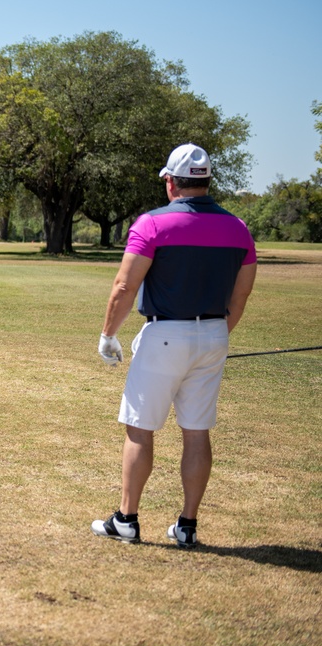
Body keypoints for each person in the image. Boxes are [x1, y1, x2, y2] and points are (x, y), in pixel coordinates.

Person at [91, 143, 257, 549]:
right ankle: (187, 525)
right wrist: (214, 337)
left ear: (171, 182)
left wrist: (108, 334)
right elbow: (240, 299)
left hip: (165, 335)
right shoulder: (238, 227)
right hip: (214, 334)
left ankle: (127, 520)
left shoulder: (152, 223)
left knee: (140, 428)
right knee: (197, 432)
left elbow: (125, 286)